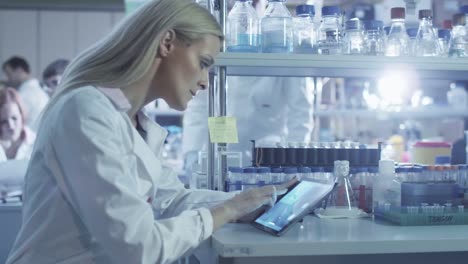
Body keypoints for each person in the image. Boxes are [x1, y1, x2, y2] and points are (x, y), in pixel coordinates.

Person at [6, 1, 292, 263]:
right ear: (167, 42)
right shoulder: (85, 111)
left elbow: (173, 200)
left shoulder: (135, 123)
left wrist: (245, 202)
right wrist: (225, 212)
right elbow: (139, 247)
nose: (205, 82)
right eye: (203, 64)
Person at [183, 0, 314, 169]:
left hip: (269, 158)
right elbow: (199, 104)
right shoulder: (218, 43)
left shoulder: (282, 42)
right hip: (223, 154)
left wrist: (296, 159)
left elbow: (300, 113)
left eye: (252, 3)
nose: (244, 10)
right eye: (238, 4)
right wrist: (192, 151)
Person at [2, 56, 49, 131]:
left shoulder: (25, 94)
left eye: (9, 74)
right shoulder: (40, 91)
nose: (8, 79)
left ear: (19, 70)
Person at [0, 88, 35, 162]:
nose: (11, 126)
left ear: (22, 116)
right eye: (4, 121)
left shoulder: (36, 142)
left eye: (14, 118)